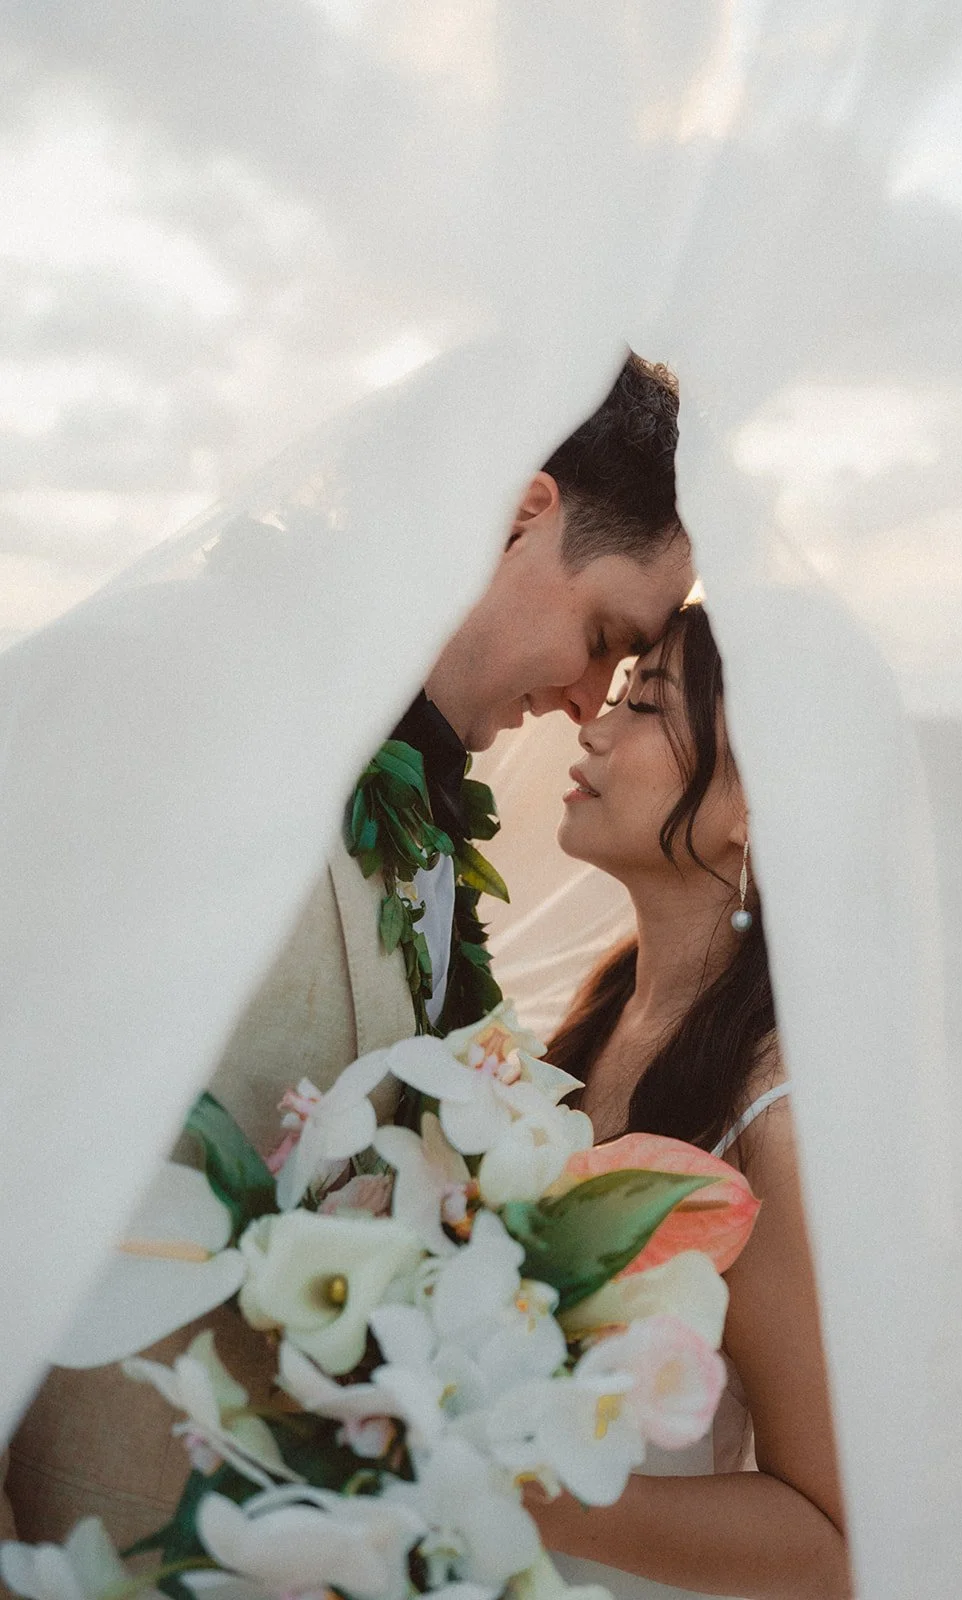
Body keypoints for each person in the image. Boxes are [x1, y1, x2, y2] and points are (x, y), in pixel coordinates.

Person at [1, 354, 694, 1554]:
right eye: (600, 635)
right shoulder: (151, 686)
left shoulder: (422, 811)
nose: (588, 704)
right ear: (520, 515)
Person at [531, 603, 851, 1600]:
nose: (591, 726)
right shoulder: (591, 1021)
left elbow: (834, 1540)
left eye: (646, 704)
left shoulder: (767, 1117)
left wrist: (518, 1486)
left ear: (757, 798)